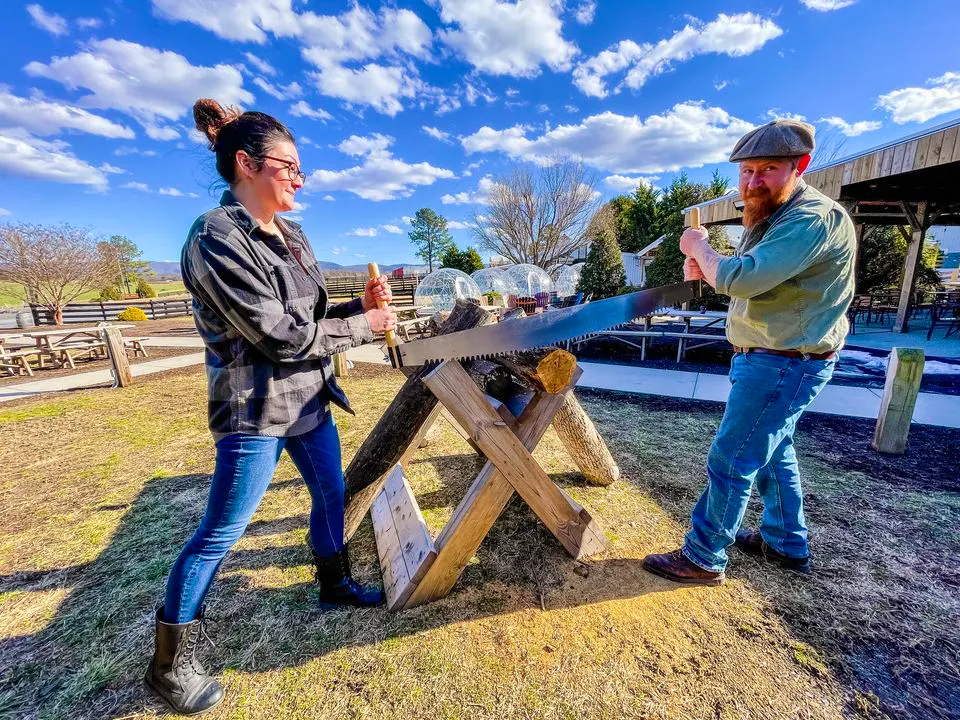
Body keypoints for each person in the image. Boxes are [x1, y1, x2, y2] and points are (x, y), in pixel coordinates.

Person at [144, 98, 397, 715]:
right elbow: (279, 336)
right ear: (246, 164)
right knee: (223, 530)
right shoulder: (215, 238)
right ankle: (170, 663)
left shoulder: (294, 235)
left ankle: (333, 584)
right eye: (289, 167)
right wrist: (365, 326)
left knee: (332, 492)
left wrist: (353, 307)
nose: (299, 179)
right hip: (254, 408)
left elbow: (307, 317)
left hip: (309, 398)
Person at [642, 119, 856, 587]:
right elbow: (744, 277)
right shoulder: (776, 216)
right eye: (747, 171)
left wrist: (701, 246)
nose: (753, 181)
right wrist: (708, 266)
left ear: (799, 166)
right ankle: (785, 542)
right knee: (774, 453)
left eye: (769, 169)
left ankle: (703, 556)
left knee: (733, 457)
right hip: (773, 359)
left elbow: (742, 279)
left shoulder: (810, 218)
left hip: (783, 362)